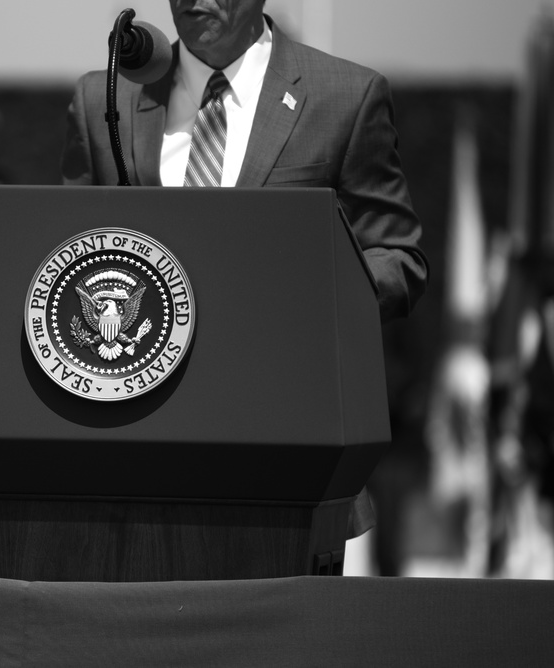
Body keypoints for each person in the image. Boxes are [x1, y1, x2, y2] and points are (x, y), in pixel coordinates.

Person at [61, 1, 429, 541]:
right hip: (128, 471)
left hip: (287, 464)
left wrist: (309, 307)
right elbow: (66, 256)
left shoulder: (344, 96)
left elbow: (398, 257)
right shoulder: (104, 100)